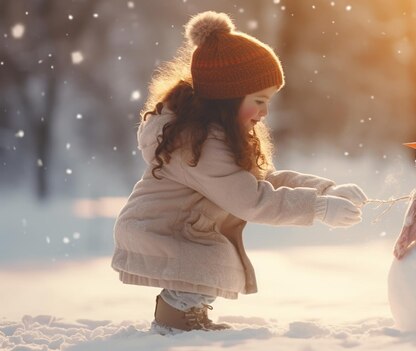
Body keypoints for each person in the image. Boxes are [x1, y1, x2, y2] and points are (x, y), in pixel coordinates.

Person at [111, 11, 367, 333]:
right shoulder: (197, 145)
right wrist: (318, 208)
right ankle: (175, 317)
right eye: (259, 100)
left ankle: (188, 312)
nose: (265, 111)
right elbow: (253, 200)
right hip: (167, 230)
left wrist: (326, 190)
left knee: (212, 259)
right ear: (227, 98)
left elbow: (265, 180)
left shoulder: (218, 134)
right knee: (206, 260)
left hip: (185, 229)